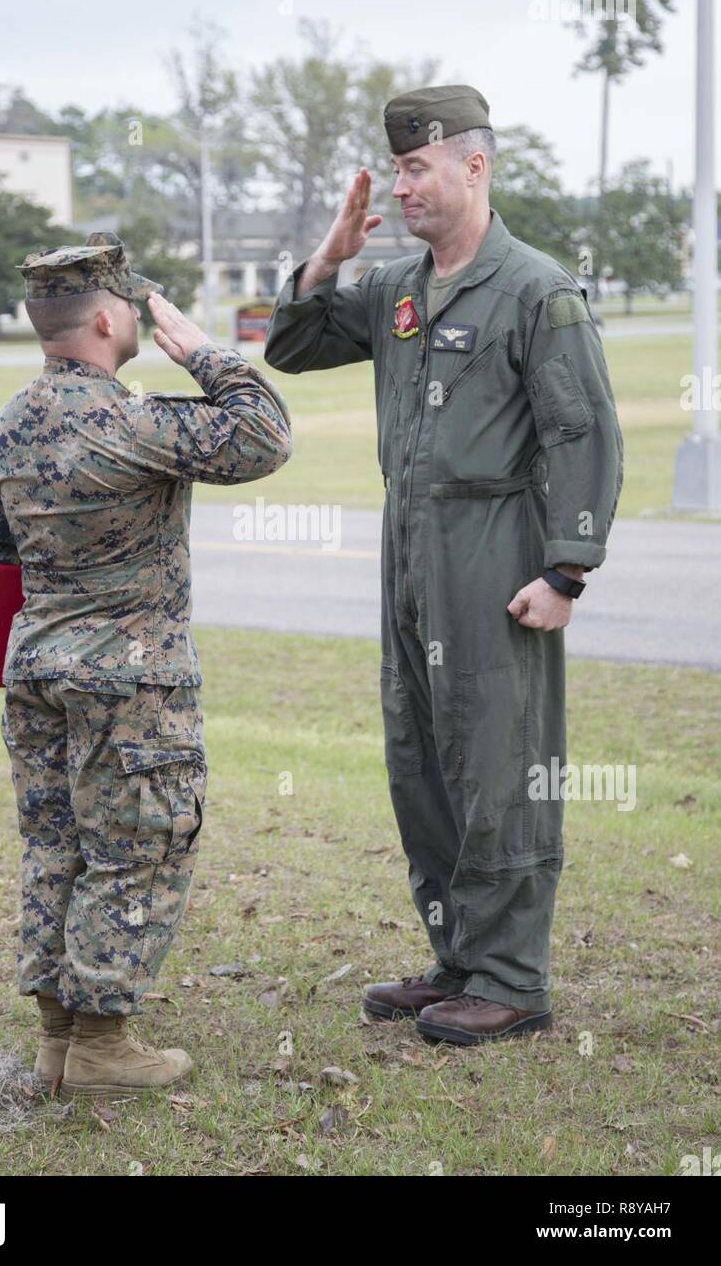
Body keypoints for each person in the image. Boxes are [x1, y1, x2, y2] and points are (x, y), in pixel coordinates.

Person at [265, 87, 623, 1045]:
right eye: (395, 171)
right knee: (420, 754)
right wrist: (334, 250)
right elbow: (292, 345)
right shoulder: (398, 288)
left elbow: (581, 431)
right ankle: (457, 959)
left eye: (416, 167)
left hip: (494, 545)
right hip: (409, 543)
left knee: (499, 758)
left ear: (474, 165)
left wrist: (565, 570)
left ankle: (511, 978)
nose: (401, 185)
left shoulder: (534, 289)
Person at [0, 231, 291, 1097]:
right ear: (108, 319)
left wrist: (48, 630)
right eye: (133, 306)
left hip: (35, 672)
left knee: (54, 844)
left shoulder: (10, 422)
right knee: (137, 847)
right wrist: (204, 353)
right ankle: (104, 1047)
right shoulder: (130, 421)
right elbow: (262, 437)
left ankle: (57, 1041)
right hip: (130, 679)